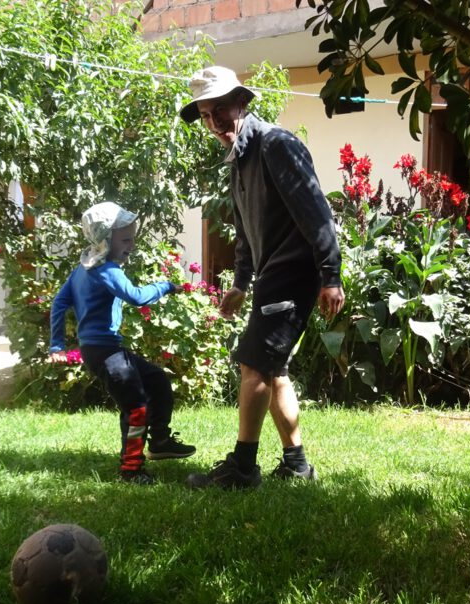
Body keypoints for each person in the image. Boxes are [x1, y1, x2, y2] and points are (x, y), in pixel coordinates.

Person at [179, 66, 345, 489]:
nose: (214, 122)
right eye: (204, 114)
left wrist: (331, 275)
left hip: (294, 272)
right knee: (274, 371)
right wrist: (239, 282)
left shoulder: (276, 145)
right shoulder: (240, 159)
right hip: (273, 274)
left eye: (220, 110)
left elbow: (316, 212)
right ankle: (296, 463)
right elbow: (245, 230)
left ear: (242, 101)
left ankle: (243, 468)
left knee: (253, 365)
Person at [49, 202, 195, 485]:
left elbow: (59, 303)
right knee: (136, 407)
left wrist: (57, 344)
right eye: (126, 239)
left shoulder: (83, 268)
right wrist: (165, 285)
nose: (131, 245)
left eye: (133, 238)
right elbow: (137, 297)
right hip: (105, 351)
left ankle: (160, 441)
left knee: (157, 380)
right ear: (105, 240)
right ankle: (130, 470)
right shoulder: (107, 271)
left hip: (102, 349)